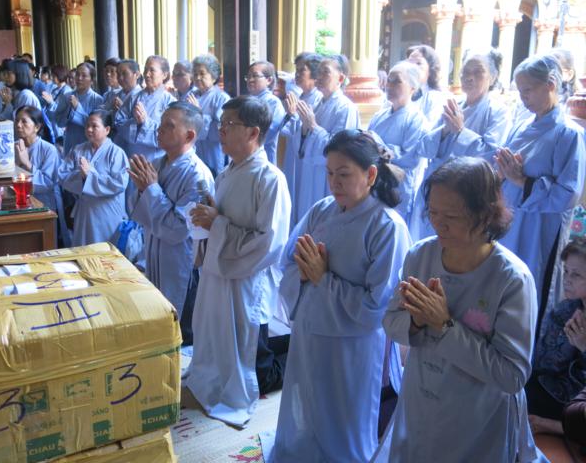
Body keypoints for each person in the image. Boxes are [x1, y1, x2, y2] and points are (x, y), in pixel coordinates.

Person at [379, 157, 540, 462]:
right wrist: (415, 322)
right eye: (433, 212)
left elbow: (512, 375)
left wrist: (444, 326)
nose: (438, 223)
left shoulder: (511, 279)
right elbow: (390, 321)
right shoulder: (420, 256)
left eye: (451, 215)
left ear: (485, 214)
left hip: (476, 418)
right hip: (420, 402)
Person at [271, 130, 411, 462]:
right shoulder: (322, 210)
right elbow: (287, 262)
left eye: (344, 174)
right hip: (309, 328)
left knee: (344, 416)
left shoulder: (387, 227)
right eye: (330, 173)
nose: (334, 182)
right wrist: (304, 274)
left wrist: (323, 278)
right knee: (308, 403)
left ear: (371, 174)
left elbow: (378, 306)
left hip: (351, 343)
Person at [186, 95, 291, 427]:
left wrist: (216, 223)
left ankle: (298, 352)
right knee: (216, 339)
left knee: (253, 365)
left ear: (253, 132)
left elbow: (269, 242)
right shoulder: (226, 172)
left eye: (229, 124)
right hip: (218, 272)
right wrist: (208, 216)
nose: (221, 131)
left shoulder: (270, 179)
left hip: (246, 279)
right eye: (221, 124)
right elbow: (221, 219)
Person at [495, 54, 585, 314]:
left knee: (532, 290)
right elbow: (503, 169)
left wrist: (522, 181)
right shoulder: (521, 126)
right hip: (510, 221)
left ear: (551, 84)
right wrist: (500, 173)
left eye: (528, 90)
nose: (523, 98)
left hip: (541, 228)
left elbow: (568, 194)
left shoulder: (568, 133)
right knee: (503, 286)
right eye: (520, 91)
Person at [128, 101, 214, 345]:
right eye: (161, 123)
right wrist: (142, 189)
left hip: (182, 265)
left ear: (189, 135)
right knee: (157, 322)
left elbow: (178, 230)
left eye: (169, 125)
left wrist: (150, 188)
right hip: (154, 254)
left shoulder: (197, 175)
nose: (159, 129)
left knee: (181, 333)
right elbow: (138, 212)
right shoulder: (157, 163)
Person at [411, 48, 511, 240]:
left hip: (467, 193)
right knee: (426, 241)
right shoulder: (453, 105)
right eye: (465, 72)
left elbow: (491, 156)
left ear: (492, 77)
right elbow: (423, 147)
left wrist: (460, 131)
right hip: (435, 186)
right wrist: (444, 131)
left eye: (478, 72)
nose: (469, 77)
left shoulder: (498, 111)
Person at [527, 237, 586, 434]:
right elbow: (545, 364)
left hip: (580, 400)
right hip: (556, 390)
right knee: (513, 388)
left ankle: (552, 426)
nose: (567, 279)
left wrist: (584, 347)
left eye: (576, 274)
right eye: (566, 271)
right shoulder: (565, 310)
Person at [294, 55, 360, 222]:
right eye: (319, 72)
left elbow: (341, 147)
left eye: (326, 72)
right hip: (310, 170)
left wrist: (313, 126)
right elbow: (304, 141)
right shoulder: (318, 104)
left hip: (329, 174)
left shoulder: (345, 107)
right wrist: (304, 129)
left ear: (340, 78)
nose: (319, 76)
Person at [58, 110, 129, 246]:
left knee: (106, 252)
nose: (89, 130)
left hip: (107, 214)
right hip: (85, 213)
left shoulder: (116, 153)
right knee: (83, 250)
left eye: (94, 126)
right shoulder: (78, 150)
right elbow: (62, 175)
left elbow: (119, 184)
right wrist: (82, 177)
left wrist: (90, 176)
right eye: (87, 126)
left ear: (107, 130)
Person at [367, 60, 427, 221]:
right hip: (373, 182)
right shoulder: (379, 116)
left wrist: (378, 144)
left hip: (398, 188)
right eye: (389, 80)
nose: (390, 86)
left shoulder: (416, 119)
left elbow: (409, 158)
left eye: (397, 81)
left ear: (412, 88)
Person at [280, 52, 323, 225]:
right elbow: (288, 131)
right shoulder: (300, 97)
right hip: (293, 156)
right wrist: (290, 115)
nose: (296, 74)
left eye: (302, 70)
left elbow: (309, 131)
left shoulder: (319, 99)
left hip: (307, 160)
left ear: (314, 73)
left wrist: (293, 116)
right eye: (296, 70)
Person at [114, 55, 175, 161]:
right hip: (132, 156)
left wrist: (145, 122)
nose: (147, 74)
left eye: (152, 70)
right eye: (145, 70)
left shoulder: (170, 102)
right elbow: (118, 121)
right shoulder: (134, 97)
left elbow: (170, 135)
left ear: (164, 75)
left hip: (156, 160)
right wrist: (135, 123)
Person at [187, 54, 230, 177]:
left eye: (202, 73)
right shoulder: (190, 96)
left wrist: (198, 114)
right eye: (195, 74)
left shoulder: (221, 98)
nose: (197, 77)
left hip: (212, 153)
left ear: (213, 76)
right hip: (191, 151)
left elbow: (221, 130)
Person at [14, 106, 61, 212]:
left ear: (37, 127)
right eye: (17, 121)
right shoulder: (12, 147)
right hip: (17, 203)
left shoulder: (49, 149)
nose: (18, 125)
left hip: (43, 204)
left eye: (24, 121)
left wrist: (27, 164)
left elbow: (48, 183)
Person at [244, 60, 286, 164]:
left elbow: (269, 132)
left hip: (263, 157)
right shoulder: (245, 101)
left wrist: (244, 138)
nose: (250, 80)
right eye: (248, 76)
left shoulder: (273, 102)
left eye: (255, 76)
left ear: (269, 80)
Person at [61, 62, 104, 157]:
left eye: (84, 76)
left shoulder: (98, 100)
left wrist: (77, 107)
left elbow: (95, 126)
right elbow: (59, 122)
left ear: (92, 80)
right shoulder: (67, 96)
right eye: (77, 74)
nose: (79, 78)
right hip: (70, 141)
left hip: (88, 143)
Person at [406, 44, 447, 128]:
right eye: (409, 63)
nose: (412, 68)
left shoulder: (435, 98)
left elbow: (429, 131)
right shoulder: (399, 93)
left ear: (431, 69)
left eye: (418, 63)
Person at [42, 64, 73, 146]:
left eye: (54, 76)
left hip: (59, 126)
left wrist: (51, 102)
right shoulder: (55, 89)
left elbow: (63, 111)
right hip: (52, 123)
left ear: (60, 75)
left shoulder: (66, 91)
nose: (52, 78)